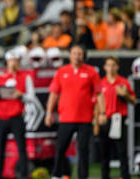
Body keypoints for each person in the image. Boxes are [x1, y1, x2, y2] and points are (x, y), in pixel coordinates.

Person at [44, 45, 105, 179]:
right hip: (66, 118)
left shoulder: (91, 72)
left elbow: (99, 93)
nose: (77, 56)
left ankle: (83, 176)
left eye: (79, 53)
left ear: (83, 56)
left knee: (83, 151)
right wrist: (49, 112)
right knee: (60, 148)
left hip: (85, 119)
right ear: (70, 55)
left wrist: (102, 113)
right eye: (74, 53)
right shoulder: (62, 71)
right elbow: (54, 93)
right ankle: (56, 175)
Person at [98, 56, 136, 179]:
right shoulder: (100, 83)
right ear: (104, 67)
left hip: (119, 119)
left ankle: (125, 176)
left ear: (117, 67)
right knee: (104, 153)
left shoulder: (123, 82)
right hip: (105, 119)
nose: (111, 68)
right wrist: (98, 118)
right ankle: (105, 176)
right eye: (108, 65)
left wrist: (126, 95)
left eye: (113, 65)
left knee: (122, 152)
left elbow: (134, 101)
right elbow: (97, 103)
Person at [0, 50, 28, 179]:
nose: (13, 63)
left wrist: (21, 95)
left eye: (16, 60)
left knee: (21, 148)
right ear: (7, 62)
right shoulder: (0, 77)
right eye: (11, 60)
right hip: (2, 116)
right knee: (0, 150)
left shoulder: (23, 77)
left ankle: (24, 175)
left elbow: (28, 95)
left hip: (17, 116)